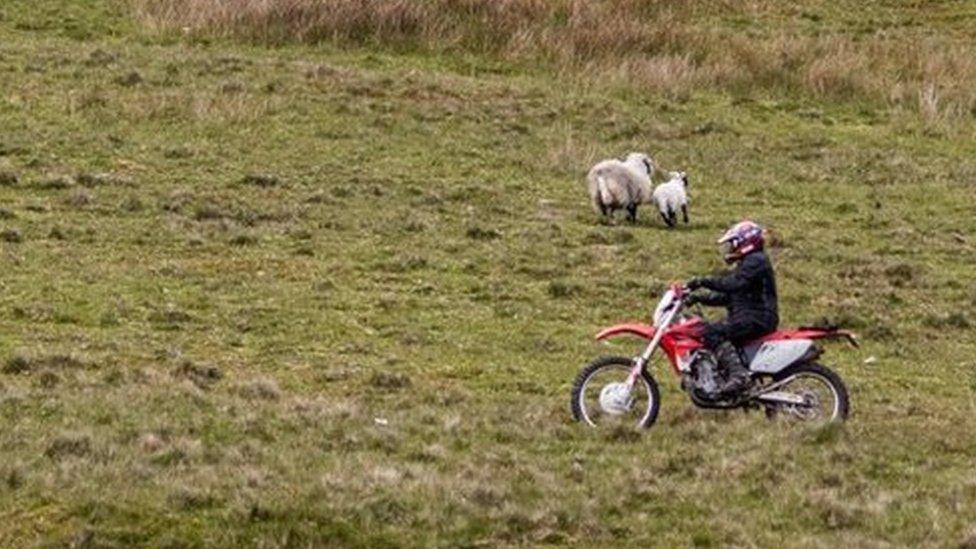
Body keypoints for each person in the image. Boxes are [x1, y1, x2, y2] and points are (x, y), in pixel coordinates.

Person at [684, 220, 778, 394]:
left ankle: (738, 376)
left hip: (756, 318)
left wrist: (703, 281)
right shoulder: (749, 263)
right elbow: (729, 296)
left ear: (744, 242)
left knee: (711, 332)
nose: (730, 249)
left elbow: (733, 284)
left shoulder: (756, 260)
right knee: (712, 329)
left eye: (733, 244)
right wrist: (697, 298)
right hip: (751, 316)